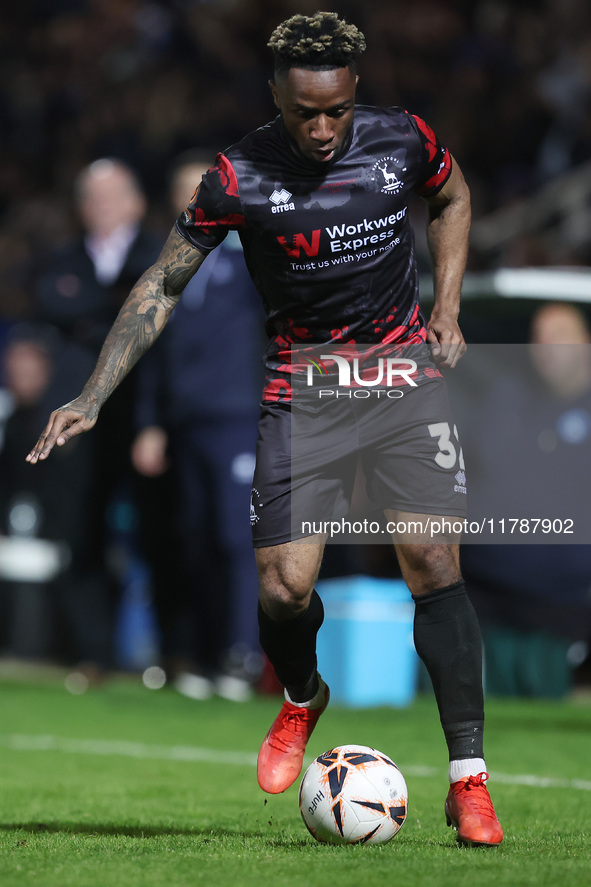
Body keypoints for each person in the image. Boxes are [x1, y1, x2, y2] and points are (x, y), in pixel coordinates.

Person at [26, 12, 502, 847]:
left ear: (355, 93)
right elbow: (161, 285)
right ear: (275, 94)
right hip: (303, 389)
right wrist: (97, 392)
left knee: (431, 561)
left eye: (336, 112)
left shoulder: (402, 140)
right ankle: (301, 695)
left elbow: (454, 194)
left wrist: (448, 306)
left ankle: (469, 781)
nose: (322, 130)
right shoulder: (236, 175)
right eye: (303, 114)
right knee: (283, 588)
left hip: (397, 380)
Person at [131, 151, 264, 701]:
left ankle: (243, 655)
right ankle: (207, 654)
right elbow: (150, 353)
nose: (195, 198)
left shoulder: (256, 256)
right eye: (185, 190)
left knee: (237, 538)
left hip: (239, 418)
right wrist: (150, 422)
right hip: (184, 423)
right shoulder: (166, 263)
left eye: (203, 187)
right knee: (196, 539)